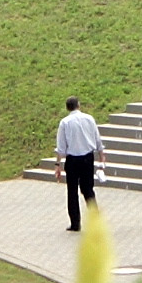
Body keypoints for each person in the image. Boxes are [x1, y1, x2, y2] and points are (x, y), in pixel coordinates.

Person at [55, 96, 103, 231]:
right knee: (88, 189)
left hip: (73, 160)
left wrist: (57, 165)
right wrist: (101, 156)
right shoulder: (89, 119)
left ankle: (75, 223)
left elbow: (61, 147)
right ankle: (96, 220)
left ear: (67, 108)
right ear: (79, 105)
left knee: (72, 191)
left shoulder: (65, 123)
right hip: (88, 158)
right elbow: (97, 139)